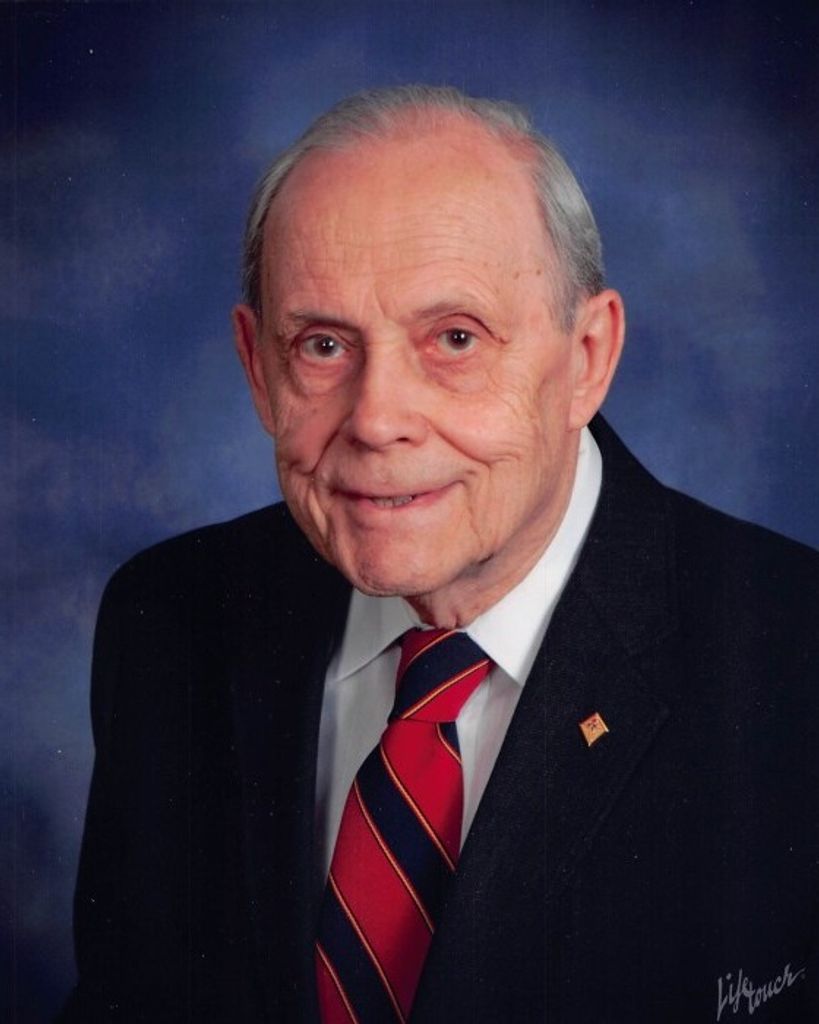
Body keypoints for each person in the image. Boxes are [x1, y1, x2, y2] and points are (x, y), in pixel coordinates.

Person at [59, 86, 819, 1023]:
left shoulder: (792, 660)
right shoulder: (168, 618)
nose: (377, 419)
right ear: (257, 367)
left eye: (454, 339)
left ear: (586, 357)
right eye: (323, 345)